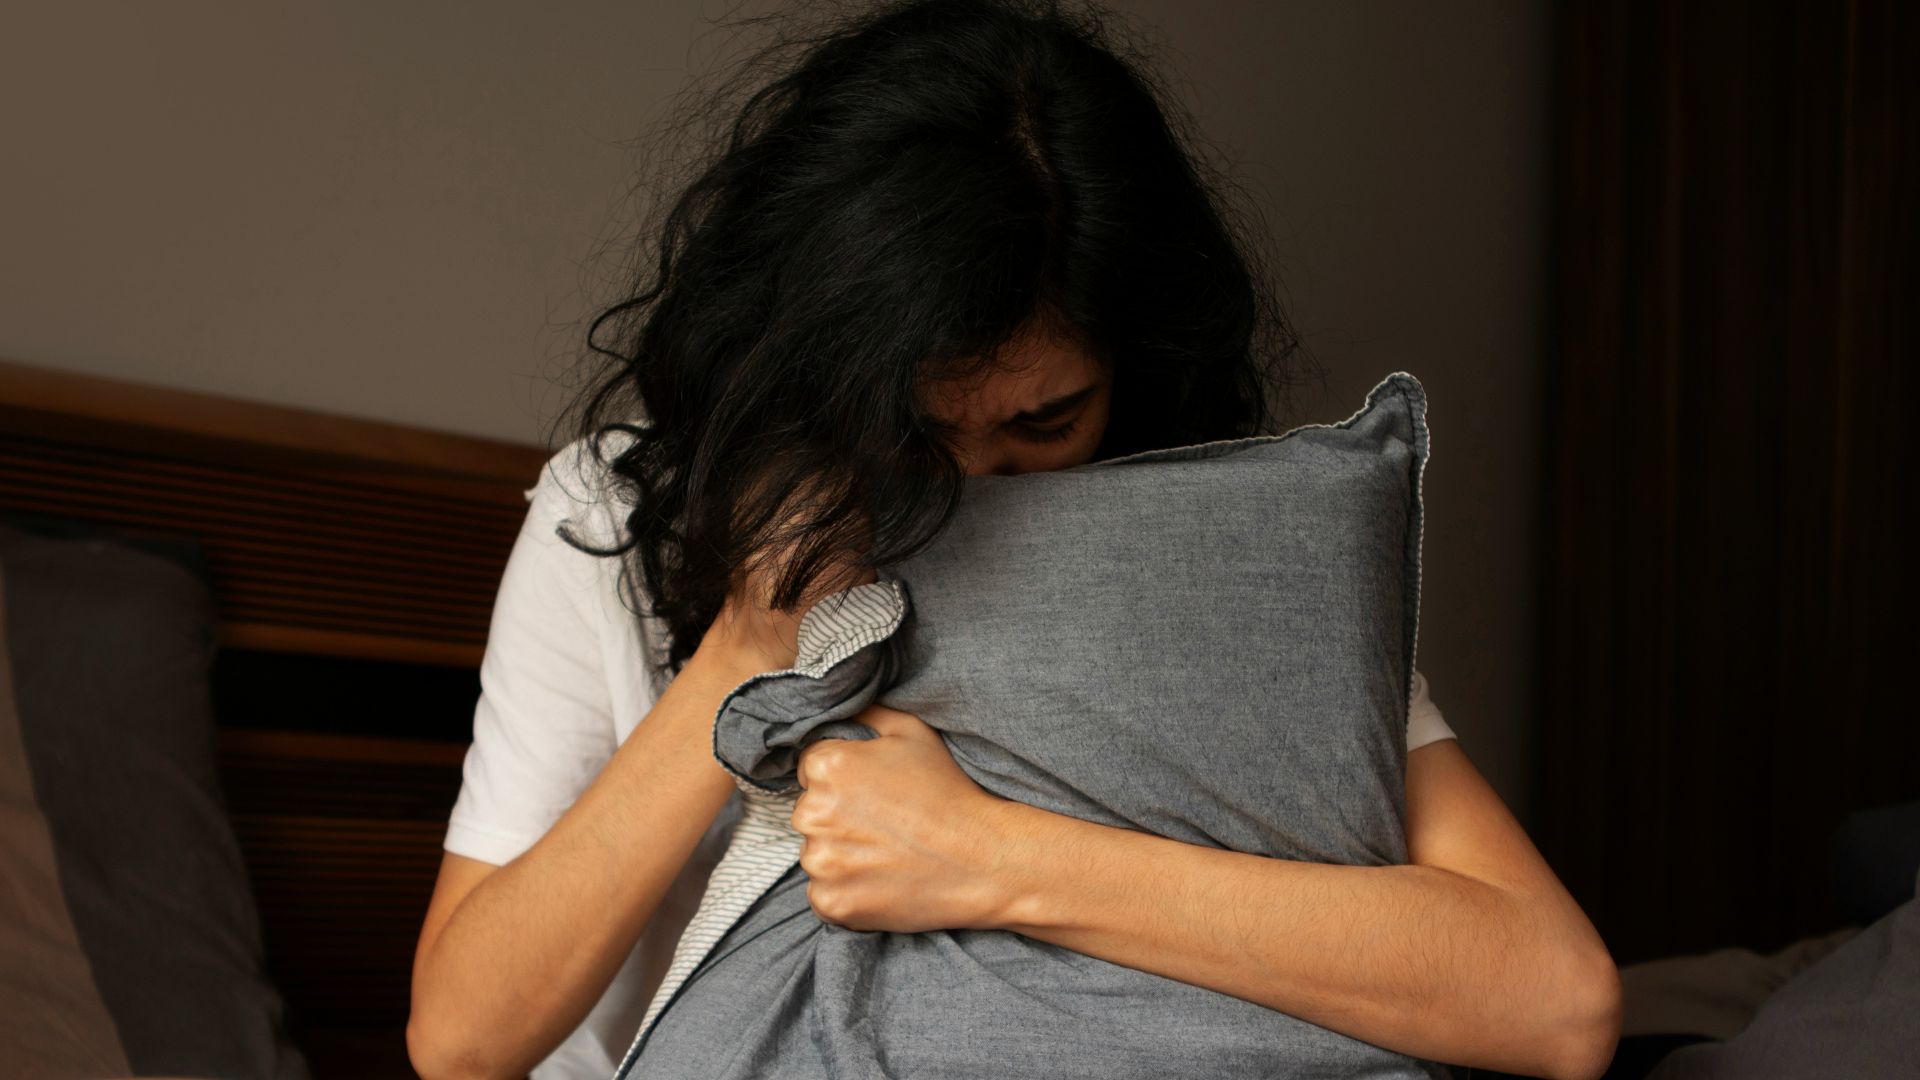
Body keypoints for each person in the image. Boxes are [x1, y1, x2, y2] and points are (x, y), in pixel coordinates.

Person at [406, 2, 1623, 1079]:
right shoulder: (615, 513)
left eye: (1045, 418)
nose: (978, 474)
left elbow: (1555, 1003)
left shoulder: (1203, 555)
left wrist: (990, 856)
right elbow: (462, 1042)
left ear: (1132, 370)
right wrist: (743, 648)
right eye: (913, 429)